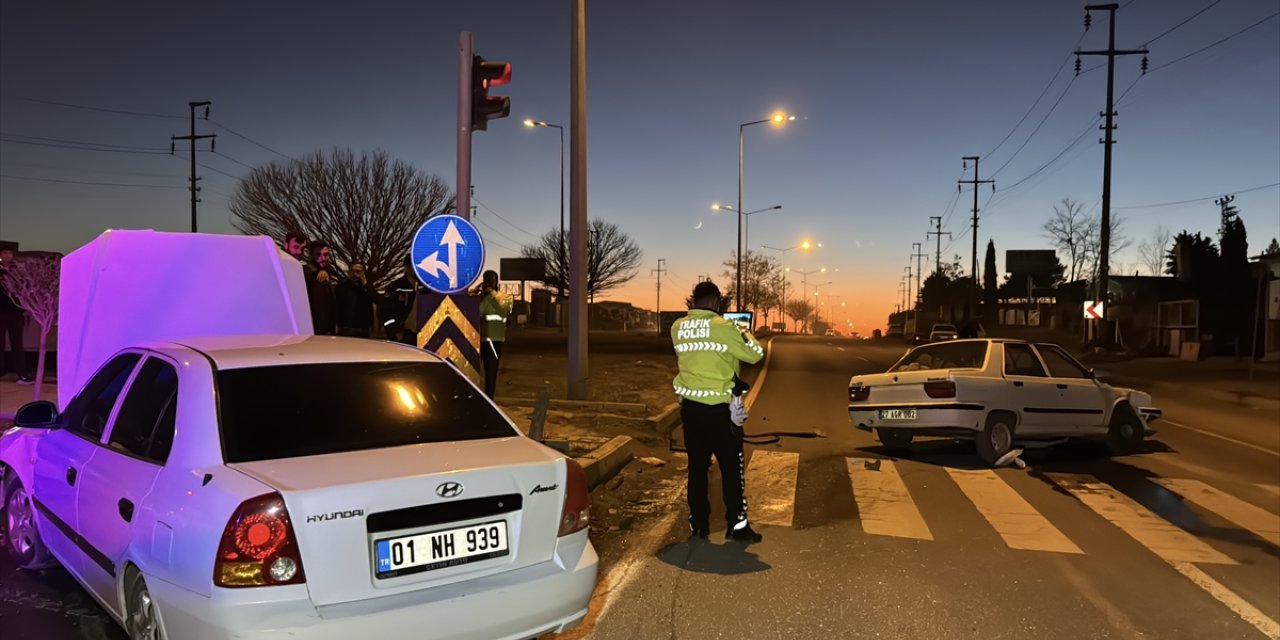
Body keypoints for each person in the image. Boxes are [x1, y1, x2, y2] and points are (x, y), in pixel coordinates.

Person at [671, 281, 765, 543]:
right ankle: (737, 526)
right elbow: (755, 354)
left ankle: (699, 526)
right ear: (715, 302)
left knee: (697, 469)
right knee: (731, 471)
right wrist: (743, 330)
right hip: (722, 414)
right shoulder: (726, 328)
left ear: (694, 301)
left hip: (691, 411)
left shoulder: (677, 327)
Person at [477, 270, 513, 398]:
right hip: (486, 338)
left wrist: (486, 294)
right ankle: (484, 398)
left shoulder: (496, 297)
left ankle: (486, 399)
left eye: (490, 280)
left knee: (485, 372)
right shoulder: (503, 298)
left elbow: (480, 310)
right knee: (483, 372)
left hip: (489, 339)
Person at [0, 249, 32, 384]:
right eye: (4, 253)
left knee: (17, 344)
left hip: (15, 311)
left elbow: (26, 287)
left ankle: (22, 375)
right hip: (0, 311)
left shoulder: (17, 271)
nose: (7, 256)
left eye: (10, 253)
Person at [304, 241, 337, 335]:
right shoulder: (308, 273)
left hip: (326, 332)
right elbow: (308, 271)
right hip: (313, 332)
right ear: (311, 255)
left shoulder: (327, 273)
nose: (322, 258)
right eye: (318, 254)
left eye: (326, 255)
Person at [336, 262, 375, 338]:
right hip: (346, 328)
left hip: (363, 328)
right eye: (352, 271)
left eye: (358, 271)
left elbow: (375, 299)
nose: (355, 274)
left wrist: (365, 284)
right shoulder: (341, 286)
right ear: (349, 272)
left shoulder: (366, 287)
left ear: (363, 272)